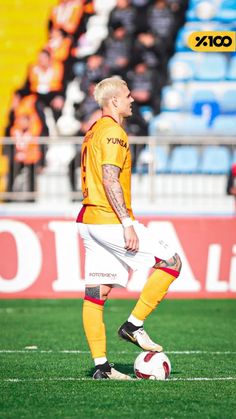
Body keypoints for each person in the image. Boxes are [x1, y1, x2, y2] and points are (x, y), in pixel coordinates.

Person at [76, 77, 182, 380]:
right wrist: (127, 223)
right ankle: (134, 324)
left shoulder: (93, 131)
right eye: (126, 95)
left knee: (97, 293)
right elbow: (110, 177)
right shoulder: (113, 132)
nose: (132, 99)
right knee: (171, 261)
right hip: (110, 220)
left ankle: (101, 367)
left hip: (89, 220)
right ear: (113, 102)